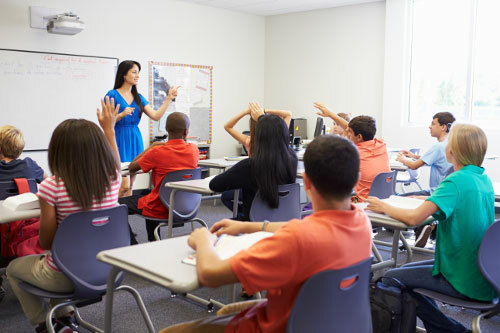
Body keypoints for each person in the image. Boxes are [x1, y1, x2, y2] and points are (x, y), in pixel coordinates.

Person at [159, 134, 372, 333]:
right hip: (327, 318)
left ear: (306, 182)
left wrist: (204, 241)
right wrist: (250, 226)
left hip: (279, 325)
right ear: (356, 179)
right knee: (226, 311)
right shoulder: (362, 222)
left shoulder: (295, 240)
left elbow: (210, 275)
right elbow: (300, 228)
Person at [365, 123, 496, 333]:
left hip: (460, 276)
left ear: (453, 150)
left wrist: (383, 205)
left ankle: (450, 330)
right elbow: (458, 202)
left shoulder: (455, 181)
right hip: (479, 271)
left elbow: (413, 220)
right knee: (401, 274)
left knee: (391, 278)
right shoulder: (481, 178)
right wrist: (429, 199)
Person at [6, 97, 122, 333]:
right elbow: (116, 164)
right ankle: (65, 318)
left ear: (58, 150)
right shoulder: (113, 179)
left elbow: (46, 242)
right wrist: (108, 129)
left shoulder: (52, 187)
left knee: (14, 269)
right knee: (59, 260)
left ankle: (44, 323)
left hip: (65, 276)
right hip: (110, 271)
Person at [119, 112, 199, 243]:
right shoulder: (194, 150)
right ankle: (154, 241)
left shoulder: (157, 152)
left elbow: (132, 168)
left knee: (116, 206)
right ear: (186, 132)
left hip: (160, 208)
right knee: (147, 194)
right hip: (186, 206)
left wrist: (151, 147)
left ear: (166, 130)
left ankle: (134, 245)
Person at [210, 103, 297, 221]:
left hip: (253, 226)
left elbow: (214, 185)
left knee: (218, 228)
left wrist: (259, 114)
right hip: (281, 222)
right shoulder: (292, 158)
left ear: (259, 137)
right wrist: (262, 114)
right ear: (284, 134)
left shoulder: (249, 166)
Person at [105, 60, 179, 196]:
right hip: (118, 139)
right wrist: (121, 115)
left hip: (134, 138)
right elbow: (106, 121)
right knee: (123, 185)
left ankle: (124, 215)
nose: (137, 75)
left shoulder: (138, 97)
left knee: (130, 185)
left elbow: (156, 116)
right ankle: (111, 209)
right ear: (123, 75)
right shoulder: (112, 95)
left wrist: (168, 99)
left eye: (138, 72)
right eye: (134, 72)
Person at [314, 102, 390, 202]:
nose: (347, 133)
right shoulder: (381, 144)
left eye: (349, 132)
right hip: (386, 200)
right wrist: (331, 114)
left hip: (365, 203)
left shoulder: (354, 153)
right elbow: (350, 127)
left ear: (359, 137)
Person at [396, 112, 456, 195]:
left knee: (398, 198)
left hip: (436, 193)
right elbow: (436, 160)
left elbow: (414, 166)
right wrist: (414, 156)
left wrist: (402, 159)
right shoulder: (450, 144)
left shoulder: (438, 147)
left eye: (433, 124)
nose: (430, 126)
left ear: (443, 127)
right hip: (445, 192)